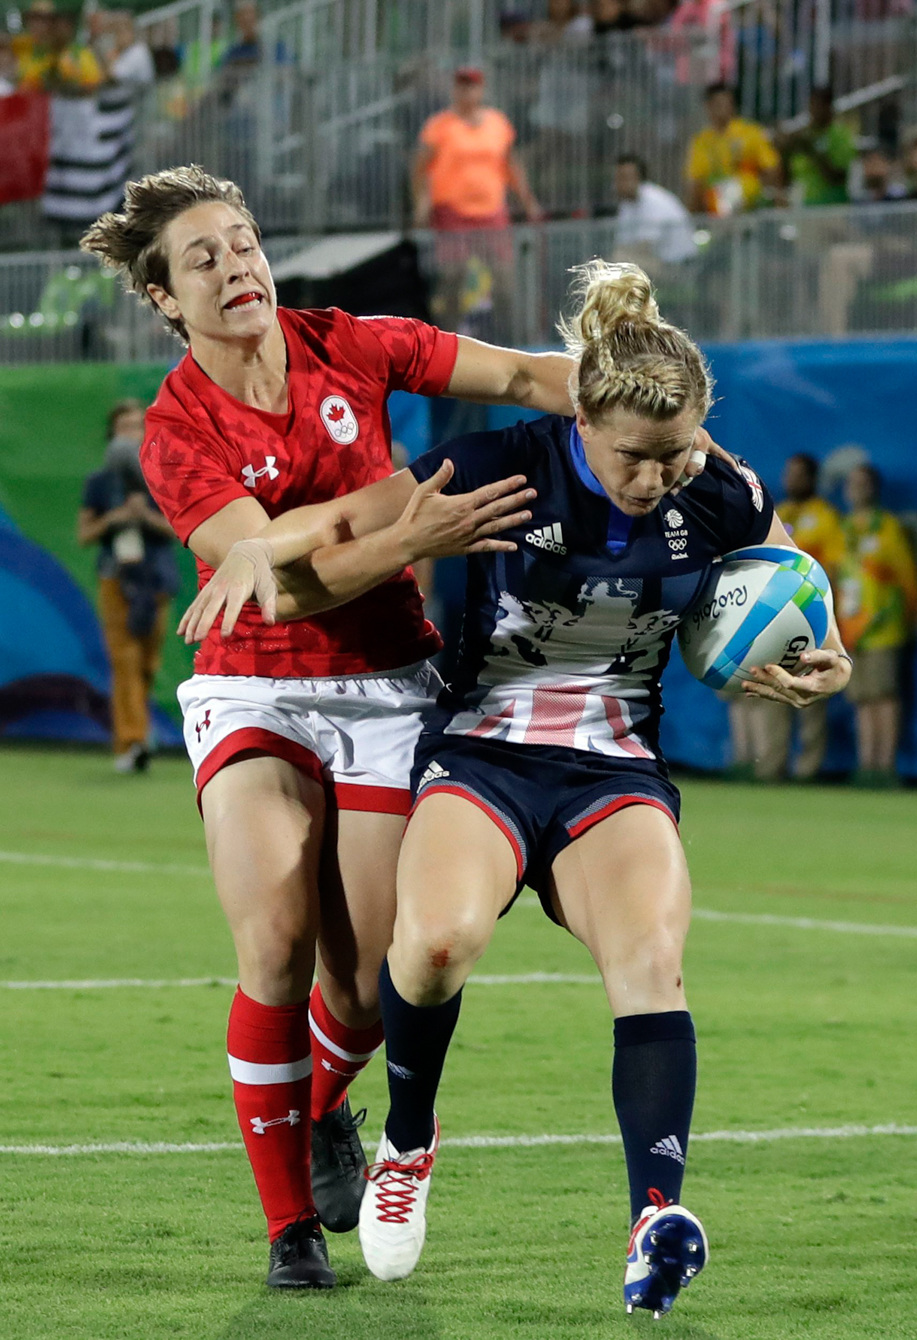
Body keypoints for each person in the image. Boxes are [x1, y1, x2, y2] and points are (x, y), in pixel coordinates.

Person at [80, 166, 724, 1290]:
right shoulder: (177, 430)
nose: (236, 265)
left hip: (389, 684)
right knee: (275, 941)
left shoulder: (354, 341)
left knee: (379, 984)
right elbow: (276, 593)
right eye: (202, 258)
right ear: (162, 299)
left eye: (242, 242)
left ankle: (324, 1108)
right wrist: (414, 536)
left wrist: (658, 423)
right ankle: (288, 1230)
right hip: (257, 690)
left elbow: (530, 375)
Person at [182, 261, 853, 1313]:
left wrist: (825, 651)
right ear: (581, 417)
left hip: (614, 766)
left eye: (677, 455)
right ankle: (406, 1140)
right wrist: (257, 544)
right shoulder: (498, 466)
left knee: (649, 959)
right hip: (483, 754)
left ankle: (654, 1217)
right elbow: (358, 516)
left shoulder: (719, 491)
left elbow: (788, 582)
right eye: (636, 457)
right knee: (435, 942)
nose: (657, 478)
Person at [77, 399, 180, 772]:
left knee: (148, 663)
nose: (131, 434)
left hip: (157, 578)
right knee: (125, 661)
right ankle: (132, 742)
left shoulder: (163, 476)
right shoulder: (99, 482)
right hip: (116, 578)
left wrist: (146, 518)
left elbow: (180, 529)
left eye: (138, 426)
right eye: (124, 427)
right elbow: (84, 533)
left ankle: (140, 732)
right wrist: (116, 519)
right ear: (112, 434)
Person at [732, 453, 843, 782]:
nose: (791, 479)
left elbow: (831, 569)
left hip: (809, 617)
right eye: (788, 473)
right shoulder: (779, 513)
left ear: (812, 478)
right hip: (774, 620)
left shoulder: (826, 517)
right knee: (775, 691)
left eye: (798, 474)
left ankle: (809, 769)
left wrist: (826, 617)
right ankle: (771, 767)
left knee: (811, 693)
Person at [413, 67, 542, 337]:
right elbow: (420, 167)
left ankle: (512, 341)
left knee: (504, 282)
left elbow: (511, 165)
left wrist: (528, 200)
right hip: (452, 212)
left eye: (472, 86)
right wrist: (422, 202)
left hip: (491, 212)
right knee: (452, 278)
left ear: (481, 90)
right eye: (461, 86)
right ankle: (446, 341)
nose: (466, 91)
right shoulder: (439, 125)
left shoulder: (497, 122)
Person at [837, 463, 917, 787]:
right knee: (862, 699)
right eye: (852, 482)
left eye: (863, 483)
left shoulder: (887, 528)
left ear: (874, 488)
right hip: (850, 630)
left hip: (883, 627)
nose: (856, 489)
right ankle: (866, 764)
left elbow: (907, 579)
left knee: (884, 697)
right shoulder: (842, 529)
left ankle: (885, 767)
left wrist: (911, 619)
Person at [684, 82, 780, 215]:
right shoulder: (702, 142)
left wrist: (775, 199)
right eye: (718, 104)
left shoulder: (751, 133)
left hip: (751, 208)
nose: (723, 108)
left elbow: (771, 168)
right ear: (708, 106)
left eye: (726, 103)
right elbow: (695, 181)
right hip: (714, 209)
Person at [613, 154, 698, 269]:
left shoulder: (653, 200)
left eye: (625, 177)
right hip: (657, 261)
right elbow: (622, 243)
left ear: (639, 177)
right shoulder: (627, 204)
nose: (619, 183)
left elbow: (646, 246)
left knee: (619, 261)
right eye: (618, 178)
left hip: (678, 265)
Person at [778, 86, 856, 206]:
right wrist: (784, 152)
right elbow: (787, 178)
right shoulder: (804, 136)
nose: (814, 111)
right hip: (804, 208)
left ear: (828, 107)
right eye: (812, 105)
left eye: (819, 105)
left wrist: (812, 151)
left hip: (831, 208)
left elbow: (838, 177)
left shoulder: (840, 135)